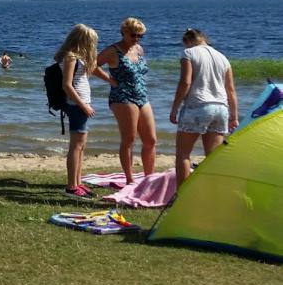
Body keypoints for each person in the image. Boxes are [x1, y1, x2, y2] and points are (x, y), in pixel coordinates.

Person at [170, 28, 238, 186]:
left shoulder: (188, 54)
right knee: (213, 157)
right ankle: (213, 193)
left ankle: (182, 196)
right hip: (221, 108)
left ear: (187, 42)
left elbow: (185, 82)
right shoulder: (223, 58)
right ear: (204, 38)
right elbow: (231, 90)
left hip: (197, 106)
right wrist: (234, 116)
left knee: (183, 155)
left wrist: (175, 109)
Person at [96, 17, 157, 185]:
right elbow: (92, 65)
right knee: (129, 139)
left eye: (140, 36)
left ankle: (148, 178)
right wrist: (110, 80)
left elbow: (141, 71)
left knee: (151, 140)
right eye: (133, 35)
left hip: (142, 95)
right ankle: (129, 179)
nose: (136, 38)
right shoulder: (113, 50)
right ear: (123, 32)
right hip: (122, 96)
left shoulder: (138, 49)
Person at [56, 23, 100, 198]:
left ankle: (78, 182)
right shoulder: (71, 57)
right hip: (76, 105)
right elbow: (67, 85)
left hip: (81, 103)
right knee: (76, 146)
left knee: (81, 146)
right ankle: (71, 186)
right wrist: (83, 105)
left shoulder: (78, 57)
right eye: (91, 41)